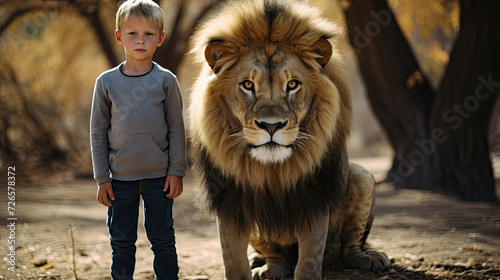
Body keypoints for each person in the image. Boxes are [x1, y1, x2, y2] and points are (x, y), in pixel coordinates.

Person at [89, 0, 187, 279]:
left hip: (160, 178)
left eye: (148, 34)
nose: (140, 40)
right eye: (132, 33)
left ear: (161, 38)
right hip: (119, 179)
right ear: (119, 35)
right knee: (121, 242)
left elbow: (176, 128)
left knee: (163, 241)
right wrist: (102, 177)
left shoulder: (166, 81)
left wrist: (176, 170)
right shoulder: (106, 82)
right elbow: (97, 131)